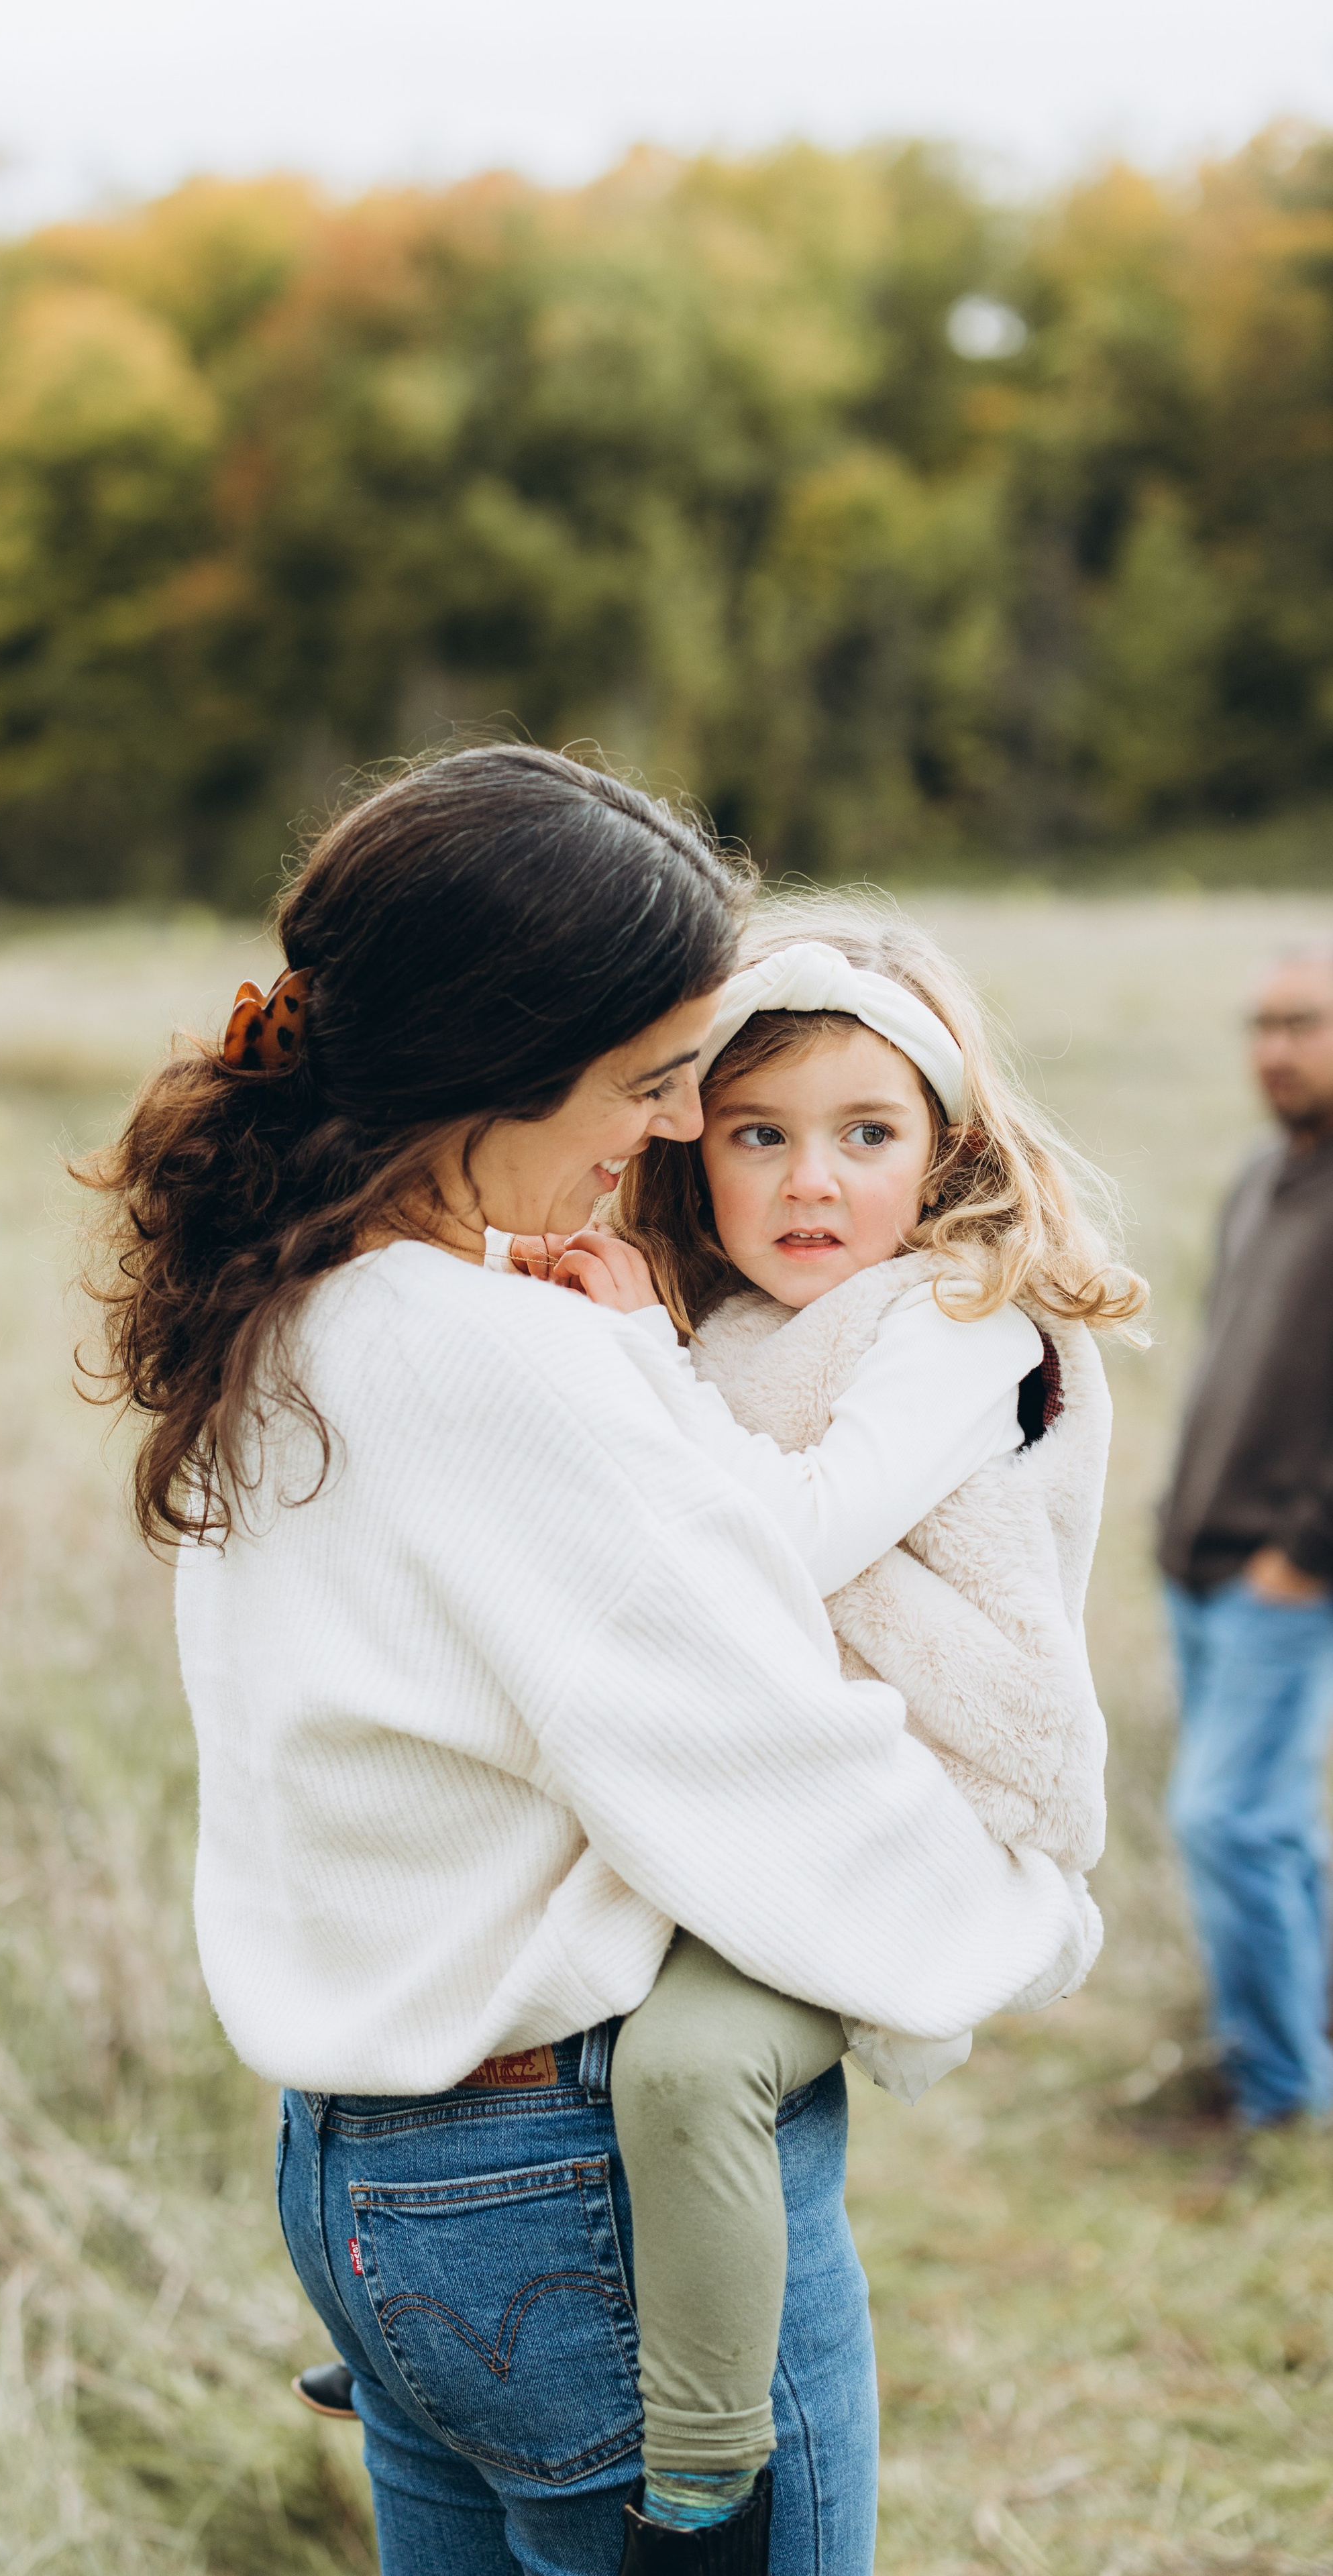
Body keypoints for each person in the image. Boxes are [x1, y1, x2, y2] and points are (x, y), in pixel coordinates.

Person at [82, 746, 1093, 2576]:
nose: (668, 1129)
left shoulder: (287, 1305)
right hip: (572, 2191)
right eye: (651, 1084)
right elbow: (775, 1769)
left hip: (364, 2173)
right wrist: (1027, 1911)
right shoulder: (501, 1365)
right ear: (494, 1062)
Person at [495, 913, 1138, 2545]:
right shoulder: (724, 1329)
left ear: (942, 1154)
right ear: (687, 1152)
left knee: (692, 2066)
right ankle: (465, 2324)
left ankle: (706, 2458)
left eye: (865, 1137)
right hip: (777, 1773)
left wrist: (637, 1349)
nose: (806, 1185)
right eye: (755, 1136)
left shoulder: (954, 1320)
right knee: (521, 1970)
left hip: (932, 1798)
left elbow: (781, 1537)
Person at [1158, 943, 1333, 2130]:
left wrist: (1300, 1560)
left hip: (1284, 1573)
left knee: (1223, 1820)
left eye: (1303, 1024)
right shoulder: (1264, 1178)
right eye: (1262, 1024)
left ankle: (1279, 2100)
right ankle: (1308, 2033)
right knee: (1269, 1820)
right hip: (1199, 1563)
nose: (1274, 1049)